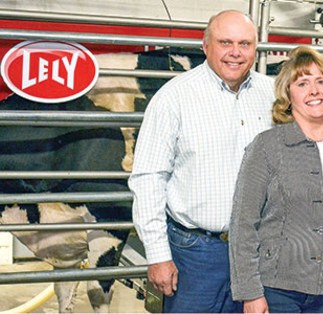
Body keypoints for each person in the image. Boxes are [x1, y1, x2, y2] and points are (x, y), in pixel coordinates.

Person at [128, 10, 275, 313]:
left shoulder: (272, 93)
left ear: (256, 48)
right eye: (225, 42)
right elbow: (148, 179)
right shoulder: (174, 97)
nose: (235, 53)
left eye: (245, 44)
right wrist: (157, 255)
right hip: (194, 254)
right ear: (205, 46)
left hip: (257, 251)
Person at [229, 45, 323, 314]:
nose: (314, 90)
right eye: (302, 83)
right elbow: (243, 224)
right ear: (288, 96)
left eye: (321, 81)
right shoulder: (267, 146)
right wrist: (250, 292)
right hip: (276, 291)